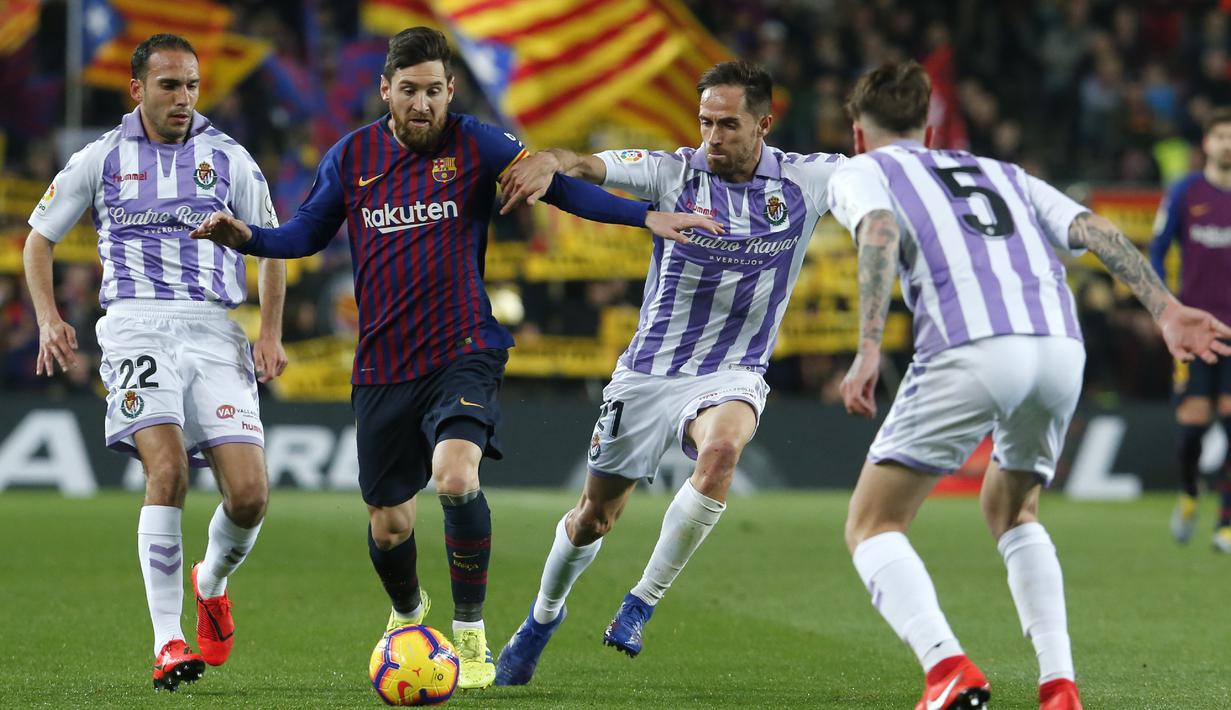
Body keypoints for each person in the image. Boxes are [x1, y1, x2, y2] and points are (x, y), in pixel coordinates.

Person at [189, 27, 718, 692]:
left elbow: (555, 187)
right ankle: (410, 615)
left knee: (456, 477)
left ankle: (470, 636)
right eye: (408, 90)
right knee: (389, 527)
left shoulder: (476, 143)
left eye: (433, 91)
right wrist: (248, 237)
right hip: (383, 365)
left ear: (449, 91)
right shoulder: (351, 158)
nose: (421, 103)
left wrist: (643, 218)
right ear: (386, 90)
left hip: (462, 350)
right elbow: (302, 235)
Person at [828, 61, 1231, 710]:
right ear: (928, 131)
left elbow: (877, 230)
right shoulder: (1001, 172)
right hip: (1057, 348)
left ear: (857, 133)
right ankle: (1058, 686)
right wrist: (1165, 309)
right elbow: (1093, 229)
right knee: (1012, 510)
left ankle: (946, 669)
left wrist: (869, 345)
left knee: (873, 524)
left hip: (972, 346)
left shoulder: (862, 169)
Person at [491, 60, 846, 685]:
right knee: (593, 518)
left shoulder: (806, 181)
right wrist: (551, 159)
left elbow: (883, 177)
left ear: (764, 123)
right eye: (705, 122)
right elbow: (591, 164)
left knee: (723, 450)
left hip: (733, 371)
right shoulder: (674, 171)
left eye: (729, 125)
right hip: (650, 372)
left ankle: (639, 604)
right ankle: (541, 619)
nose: (713, 137)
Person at [24, 34, 288, 692]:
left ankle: (212, 582)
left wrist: (270, 331)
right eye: (170, 85)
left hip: (213, 329)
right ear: (138, 89)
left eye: (192, 85)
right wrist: (49, 318)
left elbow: (273, 247)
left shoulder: (227, 159)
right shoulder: (102, 157)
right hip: (136, 327)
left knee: (251, 496)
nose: (184, 97)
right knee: (165, 470)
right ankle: (168, 641)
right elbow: (38, 239)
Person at [1149, 107, 1231, 552]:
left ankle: (1226, 521)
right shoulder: (1186, 192)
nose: (1227, 144)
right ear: (1206, 143)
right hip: (1197, 330)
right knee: (1193, 424)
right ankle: (1188, 491)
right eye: (1220, 135)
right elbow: (1158, 248)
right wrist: (1166, 306)